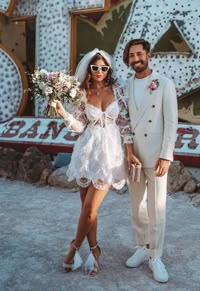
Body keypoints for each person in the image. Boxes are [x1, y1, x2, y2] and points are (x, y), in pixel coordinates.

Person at [52, 48, 140, 276]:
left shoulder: (118, 89)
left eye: (104, 68)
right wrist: (63, 112)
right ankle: (94, 250)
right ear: (89, 69)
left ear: (108, 69)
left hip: (110, 154)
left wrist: (129, 152)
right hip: (86, 152)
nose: (100, 71)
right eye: (95, 67)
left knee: (91, 208)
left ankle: (72, 250)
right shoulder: (82, 92)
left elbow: (124, 123)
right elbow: (80, 127)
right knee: (86, 210)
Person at [123, 39, 178, 283]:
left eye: (139, 54)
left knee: (157, 207)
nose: (136, 59)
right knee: (137, 207)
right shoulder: (124, 86)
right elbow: (123, 120)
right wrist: (127, 151)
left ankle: (155, 255)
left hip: (156, 157)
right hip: (133, 156)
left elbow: (171, 122)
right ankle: (143, 247)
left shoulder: (165, 84)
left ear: (148, 55)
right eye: (132, 55)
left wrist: (166, 155)